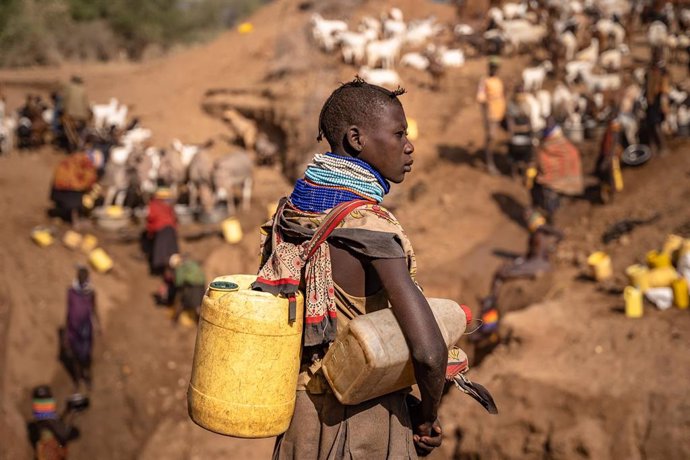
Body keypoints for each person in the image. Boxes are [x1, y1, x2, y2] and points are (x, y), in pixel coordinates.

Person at [256, 78, 448, 458]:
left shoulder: (291, 213)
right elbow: (429, 353)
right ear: (357, 139)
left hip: (300, 424)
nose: (408, 146)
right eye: (398, 133)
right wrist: (425, 415)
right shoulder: (371, 229)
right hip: (365, 426)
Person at [475, 209, 563, 342]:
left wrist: (542, 227)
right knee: (504, 270)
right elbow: (530, 254)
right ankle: (492, 305)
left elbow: (560, 234)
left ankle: (493, 302)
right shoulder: (539, 234)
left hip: (536, 264)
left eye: (530, 220)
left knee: (501, 273)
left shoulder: (540, 233)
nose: (528, 223)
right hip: (534, 262)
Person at [530, 120, 584, 222]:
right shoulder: (566, 146)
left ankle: (551, 219)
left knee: (550, 203)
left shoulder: (545, 146)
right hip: (558, 183)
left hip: (550, 183)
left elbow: (541, 162)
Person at [61, 266, 100, 392]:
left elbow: (94, 310)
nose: (83, 280)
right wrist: (66, 333)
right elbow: (68, 312)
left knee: (87, 356)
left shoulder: (91, 293)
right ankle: (77, 381)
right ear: (78, 278)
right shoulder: (71, 292)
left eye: (85, 278)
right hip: (73, 330)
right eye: (81, 277)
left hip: (86, 330)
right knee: (75, 358)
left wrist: (98, 325)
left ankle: (88, 377)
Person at [26, 385, 80, 460]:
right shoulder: (48, 423)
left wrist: (67, 412)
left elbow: (57, 427)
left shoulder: (36, 425)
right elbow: (66, 433)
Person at [50, 150, 98, 226]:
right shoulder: (88, 163)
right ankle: (75, 221)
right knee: (76, 198)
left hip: (59, 184)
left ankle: (63, 214)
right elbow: (89, 179)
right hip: (69, 186)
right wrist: (90, 187)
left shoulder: (76, 157)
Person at [476, 56, 506, 175]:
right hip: (491, 114)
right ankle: (490, 163)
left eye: (496, 67)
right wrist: (486, 118)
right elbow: (481, 99)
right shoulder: (485, 81)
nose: (495, 69)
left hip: (500, 112)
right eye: (493, 67)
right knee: (491, 137)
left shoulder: (498, 80)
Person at [143, 188, 179, 275]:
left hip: (162, 232)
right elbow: (175, 220)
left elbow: (150, 219)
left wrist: (150, 233)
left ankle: (168, 277)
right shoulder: (169, 207)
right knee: (171, 258)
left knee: (164, 259)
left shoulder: (153, 205)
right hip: (170, 232)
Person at [643, 49, 670, 155]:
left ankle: (663, 147)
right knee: (649, 123)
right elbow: (646, 85)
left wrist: (664, 104)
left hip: (657, 100)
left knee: (656, 124)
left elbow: (664, 89)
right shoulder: (650, 70)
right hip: (650, 101)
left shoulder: (663, 72)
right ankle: (652, 146)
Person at [168, 253, 206, 323]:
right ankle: (202, 321)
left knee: (194, 305)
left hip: (193, 286)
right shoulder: (190, 262)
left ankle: (200, 322)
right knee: (200, 304)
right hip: (201, 284)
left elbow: (178, 282)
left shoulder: (180, 266)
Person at [61, 76, 91, 152]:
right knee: (83, 129)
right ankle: (81, 144)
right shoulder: (83, 89)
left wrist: (63, 110)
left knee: (66, 127)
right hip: (82, 116)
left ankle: (72, 143)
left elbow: (64, 102)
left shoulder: (68, 88)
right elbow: (86, 104)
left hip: (70, 115)